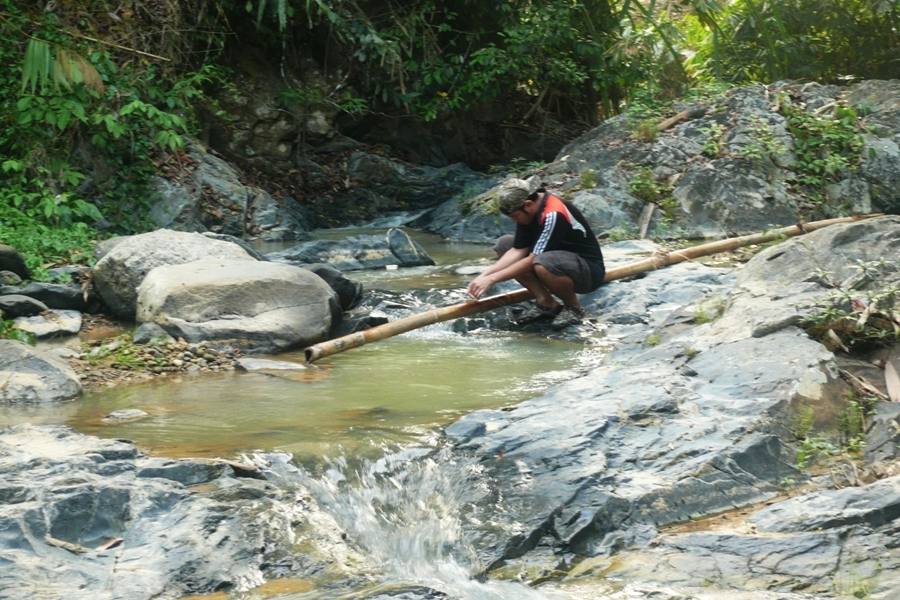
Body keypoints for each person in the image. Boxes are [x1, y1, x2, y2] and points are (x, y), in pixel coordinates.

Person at [467, 179, 605, 328]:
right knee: (504, 244)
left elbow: (531, 260)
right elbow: (518, 250)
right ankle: (546, 302)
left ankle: (574, 309)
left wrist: (492, 279)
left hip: (587, 271)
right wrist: (484, 276)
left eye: (515, 216)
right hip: (556, 260)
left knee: (543, 262)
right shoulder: (528, 210)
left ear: (527, 205)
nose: (515, 221)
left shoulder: (553, 214)